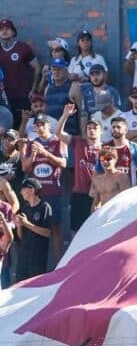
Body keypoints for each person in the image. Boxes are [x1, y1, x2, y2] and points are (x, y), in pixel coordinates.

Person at [21, 113, 67, 264]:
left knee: (56, 229)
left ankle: (59, 264)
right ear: (34, 127)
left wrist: (45, 153)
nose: (40, 128)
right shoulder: (31, 143)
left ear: (49, 125)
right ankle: (36, 264)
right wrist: (33, 155)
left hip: (53, 192)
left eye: (43, 125)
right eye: (38, 125)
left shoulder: (58, 141)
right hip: (37, 195)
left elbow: (63, 163)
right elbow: (25, 167)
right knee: (37, 229)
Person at [55, 103, 101, 234]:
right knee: (76, 230)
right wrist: (65, 115)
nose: (92, 130)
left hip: (98, 195)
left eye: (95, 128)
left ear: (101, 131)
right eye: (89, 128)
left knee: (95, 231)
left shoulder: (106, 149)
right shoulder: (79, 143)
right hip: (79, 193)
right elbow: (58, 133)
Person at [0, 18, 41, 125]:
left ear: (13, 32)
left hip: (23, 96)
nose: (4, 31)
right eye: (1, 29)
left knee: (24, 127)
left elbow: (37, 67)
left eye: (7, 29)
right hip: (4, 99)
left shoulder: (23, 48)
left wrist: (34, 88)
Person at [67, 63, 121, 136]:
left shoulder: (112, 91)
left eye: (98, 74)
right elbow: (83, 115)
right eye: (92, 74)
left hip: (109, 128)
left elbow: (117, 114)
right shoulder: (86, 91)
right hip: (91, 128)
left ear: (104, 75)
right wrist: (84, 137)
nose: (95, 77)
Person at [15, 178, 52, 280]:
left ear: (31, 190)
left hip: (37, 258)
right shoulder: (25, 208)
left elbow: (48, 233)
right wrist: (19, 226)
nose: (21, 192)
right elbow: (21, 237)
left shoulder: (44, 207)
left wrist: (27, 224)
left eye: (23, 189)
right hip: (23, 257)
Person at [106, 117, 137, 185]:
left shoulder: (134, 147)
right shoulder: (106, 148)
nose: (115, 129)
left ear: (126, 130)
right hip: (111, 190)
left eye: (118, 127)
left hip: (129, 190)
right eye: (113, 127)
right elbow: (100, 168)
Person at [90, 146, 130, 210]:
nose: (105, 162)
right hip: (103, 215)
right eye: (103, 159)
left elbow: (126, 199)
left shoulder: (121, 176)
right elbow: (95, 203)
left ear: (115, 160)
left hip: (117, 213)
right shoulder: (98, 179)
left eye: (108, 159)